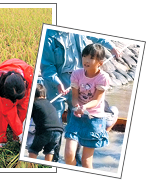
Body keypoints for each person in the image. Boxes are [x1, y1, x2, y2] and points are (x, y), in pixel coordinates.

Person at [40, 22, 122, 165]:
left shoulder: (80, 24)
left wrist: (112, 47)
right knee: (55, 122)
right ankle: (53, 160)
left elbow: (98, 35)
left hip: (79, 79)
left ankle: (74, 159)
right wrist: (57, 83)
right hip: (56, 83)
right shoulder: (49, 34)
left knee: (77, 116)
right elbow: (47, 66)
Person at [64, 44, 110, 180]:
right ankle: (74, 177)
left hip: (94, 120)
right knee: (69, 154)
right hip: (76, 117)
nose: (86, 60)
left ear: (100, 63)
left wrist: (83, 108)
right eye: (84, 56)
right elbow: (74, 96)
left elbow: (96, 100)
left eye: (91, 58)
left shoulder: (103, 78)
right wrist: (76, 106)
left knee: (86, 161)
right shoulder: (77, 73)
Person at [0, 59, 34, 147]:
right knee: (3, 112)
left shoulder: (29, 74)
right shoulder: (1, 84)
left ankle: (17, 138)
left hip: (24, 90)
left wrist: (21, 133)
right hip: (7, 86)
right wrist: (20, 132)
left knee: (24, 110)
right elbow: (8, 112)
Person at [28, 83, 63, 162]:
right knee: (49, 150)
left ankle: (30, 171)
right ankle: (47, 170)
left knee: (33, 149)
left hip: (45, 130)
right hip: (59, 131)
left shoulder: (34, 104)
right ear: (44, 95)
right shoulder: (49, 104)